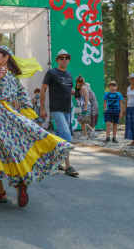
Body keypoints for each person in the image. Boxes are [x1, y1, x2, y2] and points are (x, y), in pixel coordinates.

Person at [0, 46, 72, 207]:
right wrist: (27, 118)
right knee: (13, 152)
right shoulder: (13, 76)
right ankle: (19, 186)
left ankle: (0, 191)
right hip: (10, 114)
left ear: (6, 58)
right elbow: (24, 97)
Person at [40, 49, 79, 177]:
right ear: (57, 60)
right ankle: (68, 166)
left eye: (66, 58)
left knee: (60, 136)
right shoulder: (52, 73)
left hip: (67, 109)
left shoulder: (69, 74)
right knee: (67, 136)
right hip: (56, 109)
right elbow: (43, 90)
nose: (64, 60)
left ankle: (55, 162)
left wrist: (79, 90)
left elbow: (71, 91)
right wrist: (42, 109)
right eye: (61, 58)